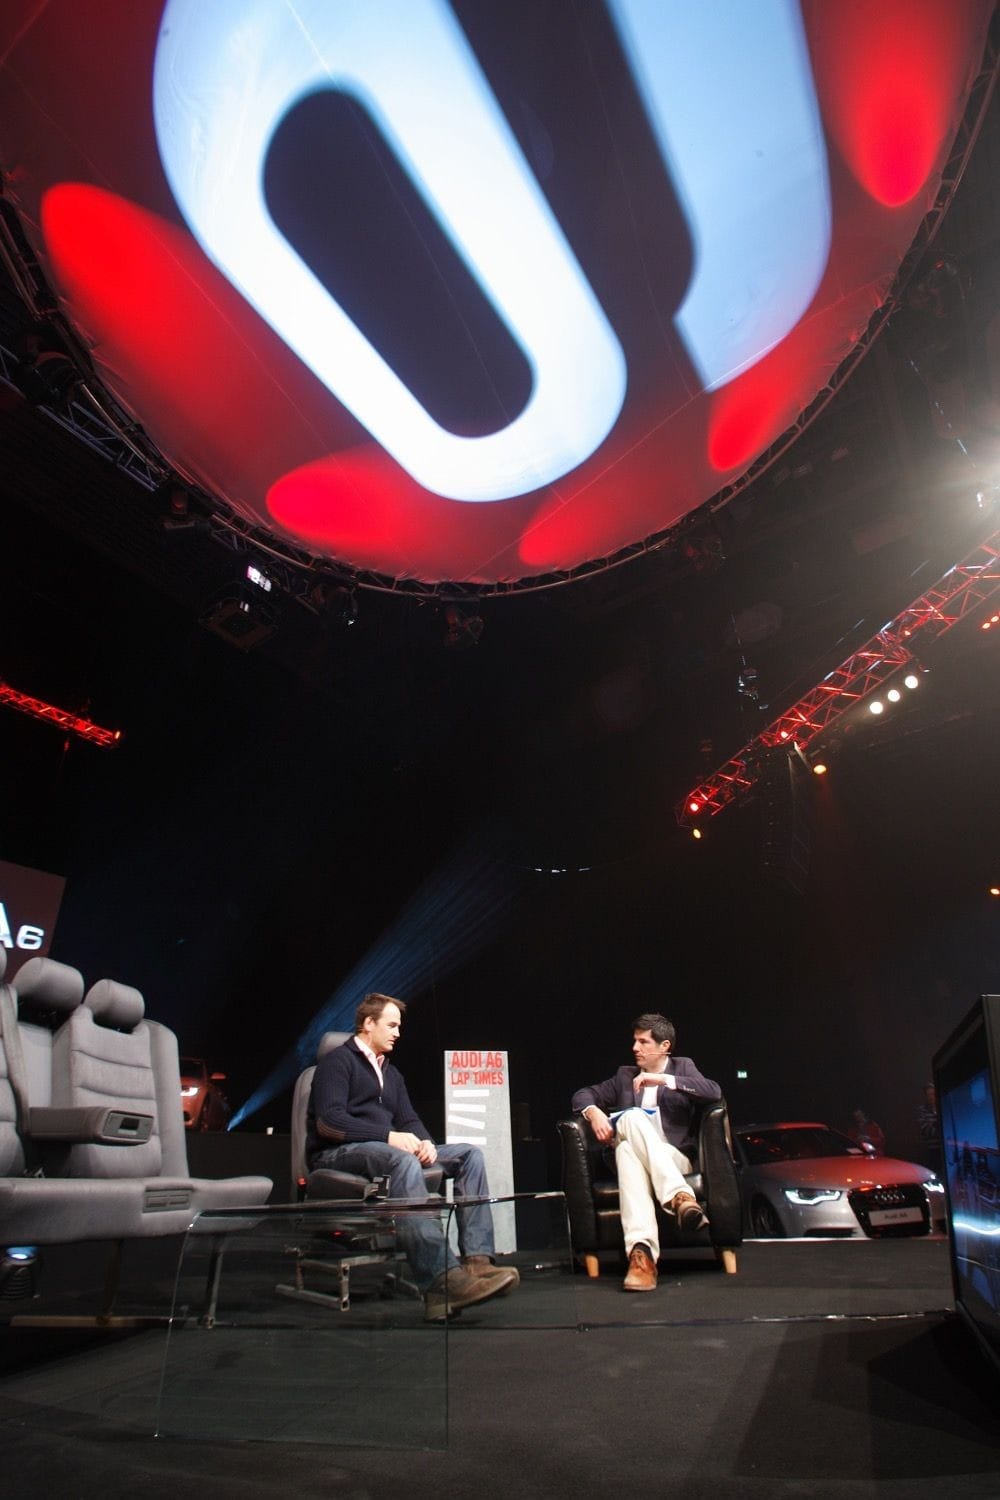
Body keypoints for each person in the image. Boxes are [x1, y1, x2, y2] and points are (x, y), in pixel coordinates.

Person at [306, 993, 518, 1321]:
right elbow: (330, 1123)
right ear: (367, 1024)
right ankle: (439, 1282)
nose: (397, 1033)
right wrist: (389, 1137)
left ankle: (477, 1263)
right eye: (391, 1025)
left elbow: (408, 1120)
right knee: (401, 1159)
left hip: (383, 1150)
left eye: (399, 1026)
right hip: (337, 1153)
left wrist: (426, 1143)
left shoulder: (391, 1074)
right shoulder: (337, 1062)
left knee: (469, 1155)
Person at [571, 1013, 721, 1293]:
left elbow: (713, 1092)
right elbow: (582, 1095)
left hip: (674, 1158)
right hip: (660, 1173)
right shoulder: (624, 1076)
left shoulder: (683, 1067)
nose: (635, 1048)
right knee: (631, 1127)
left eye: (643, 1042)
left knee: (626, 1146)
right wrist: (593, 1114)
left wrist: (665, 1080)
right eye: (634, 1041)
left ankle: (642, 1259)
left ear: (664, 1046)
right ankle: (680, 1198)